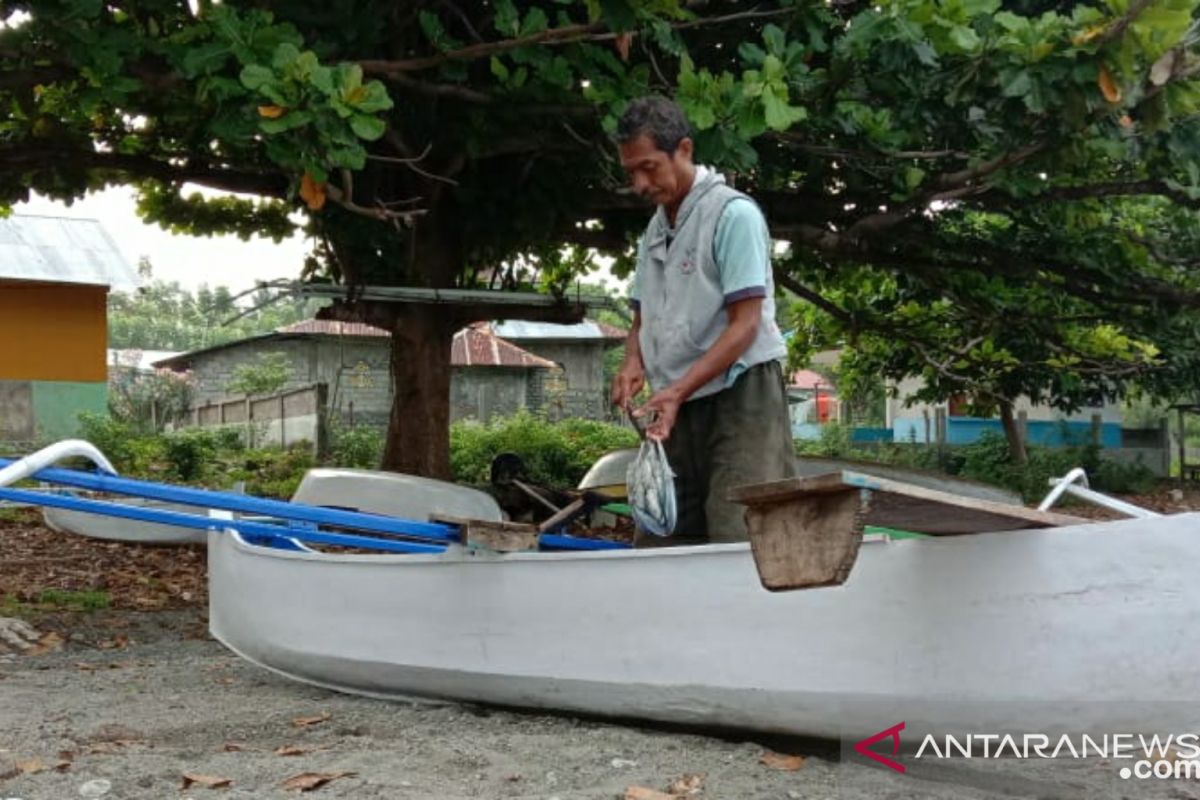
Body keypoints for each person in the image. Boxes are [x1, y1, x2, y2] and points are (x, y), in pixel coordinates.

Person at [610, 96, 796, 544]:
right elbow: (640, 318)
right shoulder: (654, 230)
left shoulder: (734, 215)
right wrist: (632, 362)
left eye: (649, 167)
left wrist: (676, 390)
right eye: (631, 171)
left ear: (685, 150)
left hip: (741, 396)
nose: (639, 183)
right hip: (675, 404)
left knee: (742, 538)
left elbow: (745, 325)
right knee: (661, 533)